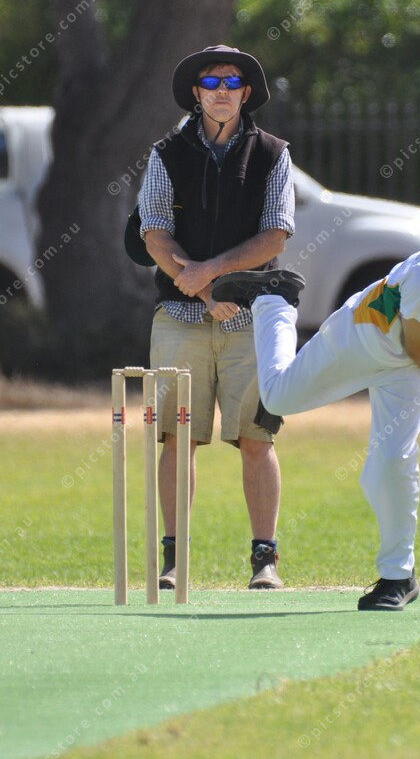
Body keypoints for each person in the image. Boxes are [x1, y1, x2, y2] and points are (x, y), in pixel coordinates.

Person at [211, 188, 420, 610]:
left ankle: (398, 577)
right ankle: (274, 300)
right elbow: (417, 347)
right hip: (359, 341)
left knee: (392, 462)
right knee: (278, 397)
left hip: (407, 369)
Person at [136, 45, 295, 590]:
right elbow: (154, 234)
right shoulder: (165, 152)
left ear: (246, 93)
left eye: (232, 82)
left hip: (251, 315)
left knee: (257, 438)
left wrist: (215, 275)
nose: (221, 91)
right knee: (178, 439)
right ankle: (174, 561)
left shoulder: (274, 153)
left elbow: (275, 235)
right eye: (211, 82)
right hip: (180, 313)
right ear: (196, 93)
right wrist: (206, 291)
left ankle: (265, 560)